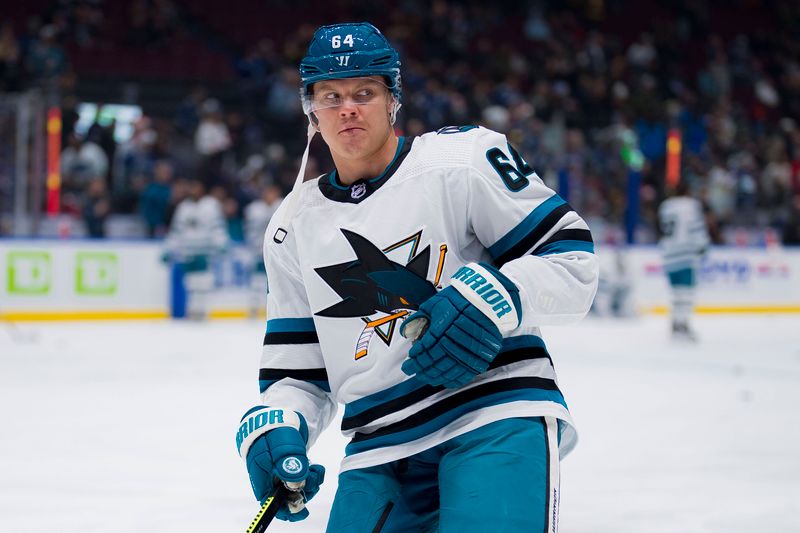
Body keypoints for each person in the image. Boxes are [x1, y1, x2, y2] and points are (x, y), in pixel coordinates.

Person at [235, 22, 599, 532]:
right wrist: (280, 423)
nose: (348, 108)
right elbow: (300, 370)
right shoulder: (290, 224)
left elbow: (571, 261)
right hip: (378, 448)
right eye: (330, 95)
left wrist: (495, 296)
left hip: (492, 411)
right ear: (310, 110)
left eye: (365, 92)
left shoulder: (464, 159)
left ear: (393, 100)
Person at [163, 178, 228, 318]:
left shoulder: (211, 205)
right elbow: (175, 231)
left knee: (203, 282)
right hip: (188, 252)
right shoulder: (183, 208)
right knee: (190, 283)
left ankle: (202, 310)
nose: (194, 190)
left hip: (205, 252)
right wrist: (169, 248)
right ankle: (192, 310)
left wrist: (221, 243)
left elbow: (217, 227)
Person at [657, 180, 710, 340]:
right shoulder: (691, 206)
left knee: (676, 293)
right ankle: (683, 324)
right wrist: (703, 245)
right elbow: (696, 227)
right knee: (686, 293)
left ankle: (676, 322)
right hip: (685, 254)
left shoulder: (665, 206)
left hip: (668, 254)